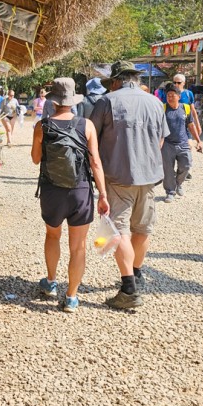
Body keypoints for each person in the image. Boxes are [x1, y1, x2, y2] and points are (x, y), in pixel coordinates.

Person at [90, 61, 169, 310]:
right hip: (149, 177)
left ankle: (128, 289)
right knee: (143, 228)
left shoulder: (107, 101)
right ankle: (135, 272)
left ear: (116, 80)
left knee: (120, 230)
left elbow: (91, 139)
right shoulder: (155, 102)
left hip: (117, 176)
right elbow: (160, 140)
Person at [32, 78, 109, 313]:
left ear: (53, 101)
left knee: (52, 236)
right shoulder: (86, 125)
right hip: (81, 190)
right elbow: (95, 162)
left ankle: (51, 281)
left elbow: (36, 159)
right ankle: (72, 297)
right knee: (78, 246)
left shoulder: (41, 126)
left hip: (52, 190)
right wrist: (103, 195)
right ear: (73, 100)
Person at [161, 84, 203, 203]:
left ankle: (178, 183)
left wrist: (198, 141)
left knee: (186, 165)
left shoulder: (185, 108)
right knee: (168, 170)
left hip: (183, 143)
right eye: (168, 95)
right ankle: (170, 192)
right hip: (167, 144)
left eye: (172, 95)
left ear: (179, 96)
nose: (170, 97)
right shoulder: (162, 109)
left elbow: (191, 125)